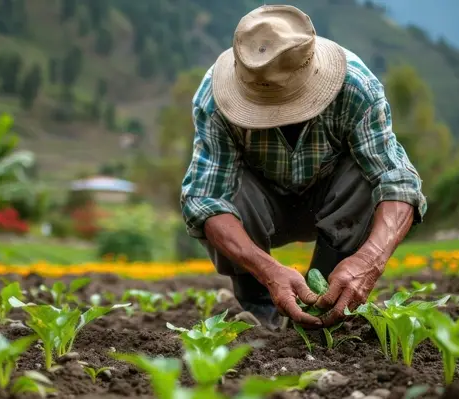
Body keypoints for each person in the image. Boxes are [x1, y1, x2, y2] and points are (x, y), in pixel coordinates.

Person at [179, 5, 427, 330]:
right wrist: (268, 270)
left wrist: (369, 261)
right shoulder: (214, 101)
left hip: (333, 202)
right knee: (226, 193)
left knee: (367, 179)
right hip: (262, 205)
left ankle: (328, 303)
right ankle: (263, 310)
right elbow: (204, 201)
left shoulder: (356, 87)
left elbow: (398, 182)